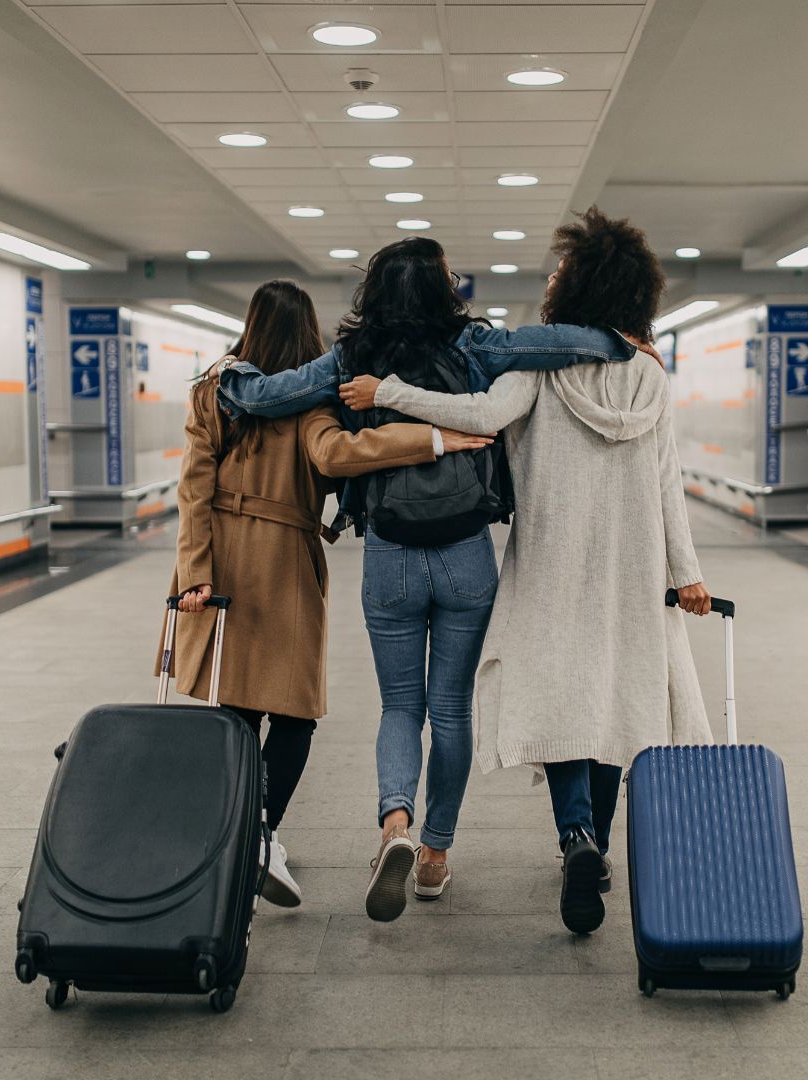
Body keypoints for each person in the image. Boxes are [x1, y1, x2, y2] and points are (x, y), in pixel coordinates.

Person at [215, 237, 639, 922]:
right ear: (444, 289)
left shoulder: (355, 357)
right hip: (466, 551)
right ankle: (436, 854)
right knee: (451, 711)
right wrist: (617, 343)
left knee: (400, 707)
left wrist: (229, 377)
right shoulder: (476, 344)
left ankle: (395, 825)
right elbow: (557, 343)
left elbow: (269, 396)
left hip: (389, 553)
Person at [339, 209, 715, 934]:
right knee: (614, 701)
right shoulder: (652, 378)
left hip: (551, 560)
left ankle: (572, 836)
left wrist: (387, 391)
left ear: (579, 288)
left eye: (561, 272)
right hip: (631, 570)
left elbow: (475, 417)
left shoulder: (536, 371)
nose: (551, 279)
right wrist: (686, 572)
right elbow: (668, 483)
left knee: (563, 703)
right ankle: (593, 845)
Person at [160, 278, 491, 909]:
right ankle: (260, 833)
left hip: (222, 563)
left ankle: (236, 834)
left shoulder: (214, 391)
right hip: (283, 562)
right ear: (309, 336)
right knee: (294, 715)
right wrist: (436, 436)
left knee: (235, 707)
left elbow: (192, 488)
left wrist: (195, 572)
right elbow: (340, 455)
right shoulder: (310, 404)